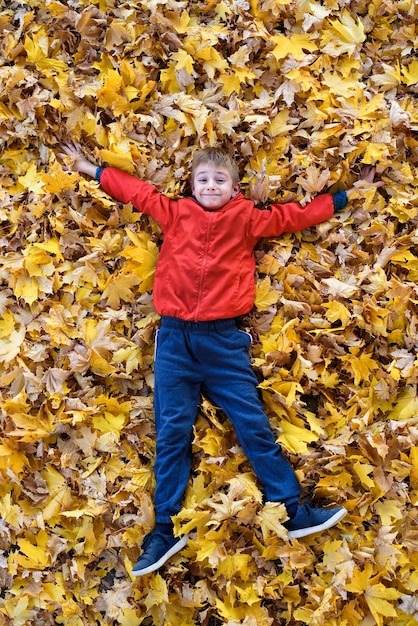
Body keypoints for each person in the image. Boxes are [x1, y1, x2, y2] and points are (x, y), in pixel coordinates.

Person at [59, 141, 380, 576]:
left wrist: (346, 196)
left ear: (235, 188)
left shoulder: (247, 219)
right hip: (175, 341)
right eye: (203, 179)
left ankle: (290, 509)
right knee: (172, 434)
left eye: (220, 179)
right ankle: (166, 530)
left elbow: (297, 216)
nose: (211, 185)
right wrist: (89, 168)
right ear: (192, 186)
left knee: (253, 427)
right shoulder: (176, 213)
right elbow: (135, 192)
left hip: (224, 341)